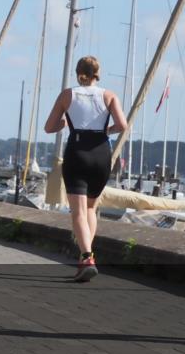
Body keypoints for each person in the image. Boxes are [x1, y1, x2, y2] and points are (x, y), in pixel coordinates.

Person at [44, 55, 127, 282]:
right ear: (97, 73)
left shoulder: (67, 95)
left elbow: (49, 127)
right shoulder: (109, 95)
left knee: (78, 211)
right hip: (101, 153)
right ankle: (88, 256)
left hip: (77, 151)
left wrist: (66, 122)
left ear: (78, 72)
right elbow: (122, 125)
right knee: (90, 209)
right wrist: (105, 132)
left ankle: (87, 258)